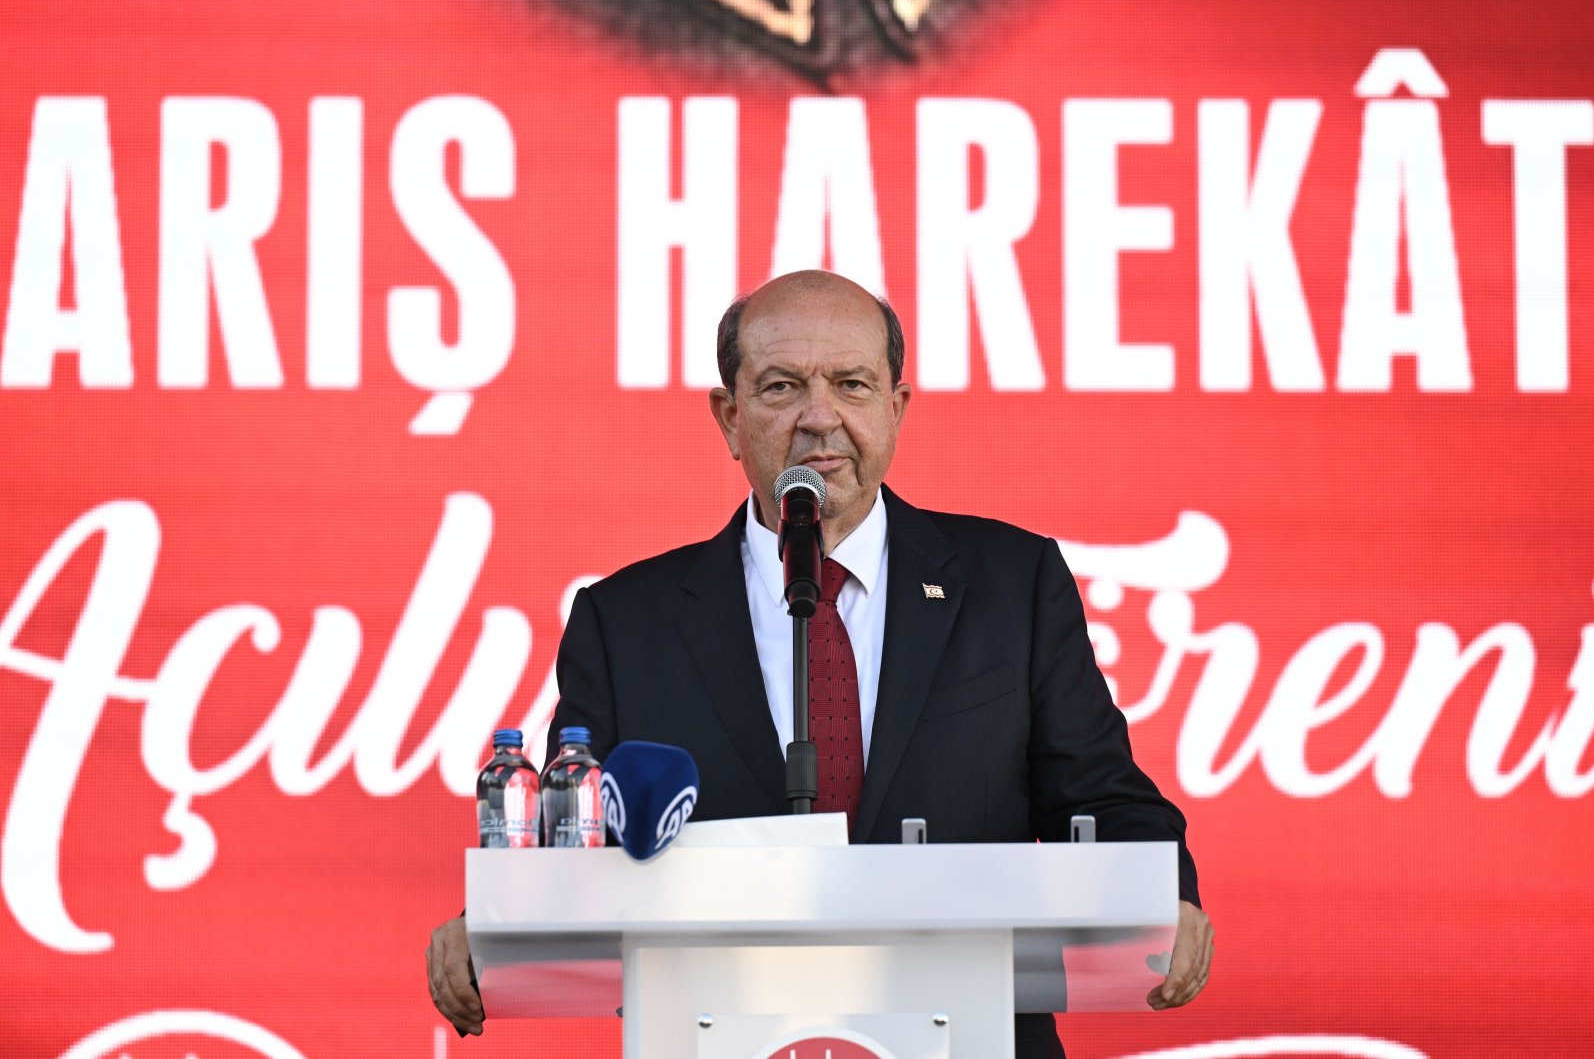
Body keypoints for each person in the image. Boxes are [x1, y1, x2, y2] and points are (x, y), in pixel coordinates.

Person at [426, 270, 1214, 1056]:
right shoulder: (625, 621)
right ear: (728, 418)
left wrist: (1165, 893)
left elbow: (1105, 799)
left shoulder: (1012, 584)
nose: (819, 418)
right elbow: (576, 841)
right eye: (780, 387)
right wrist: (496, 920)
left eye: (852, 384)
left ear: (896, 409)